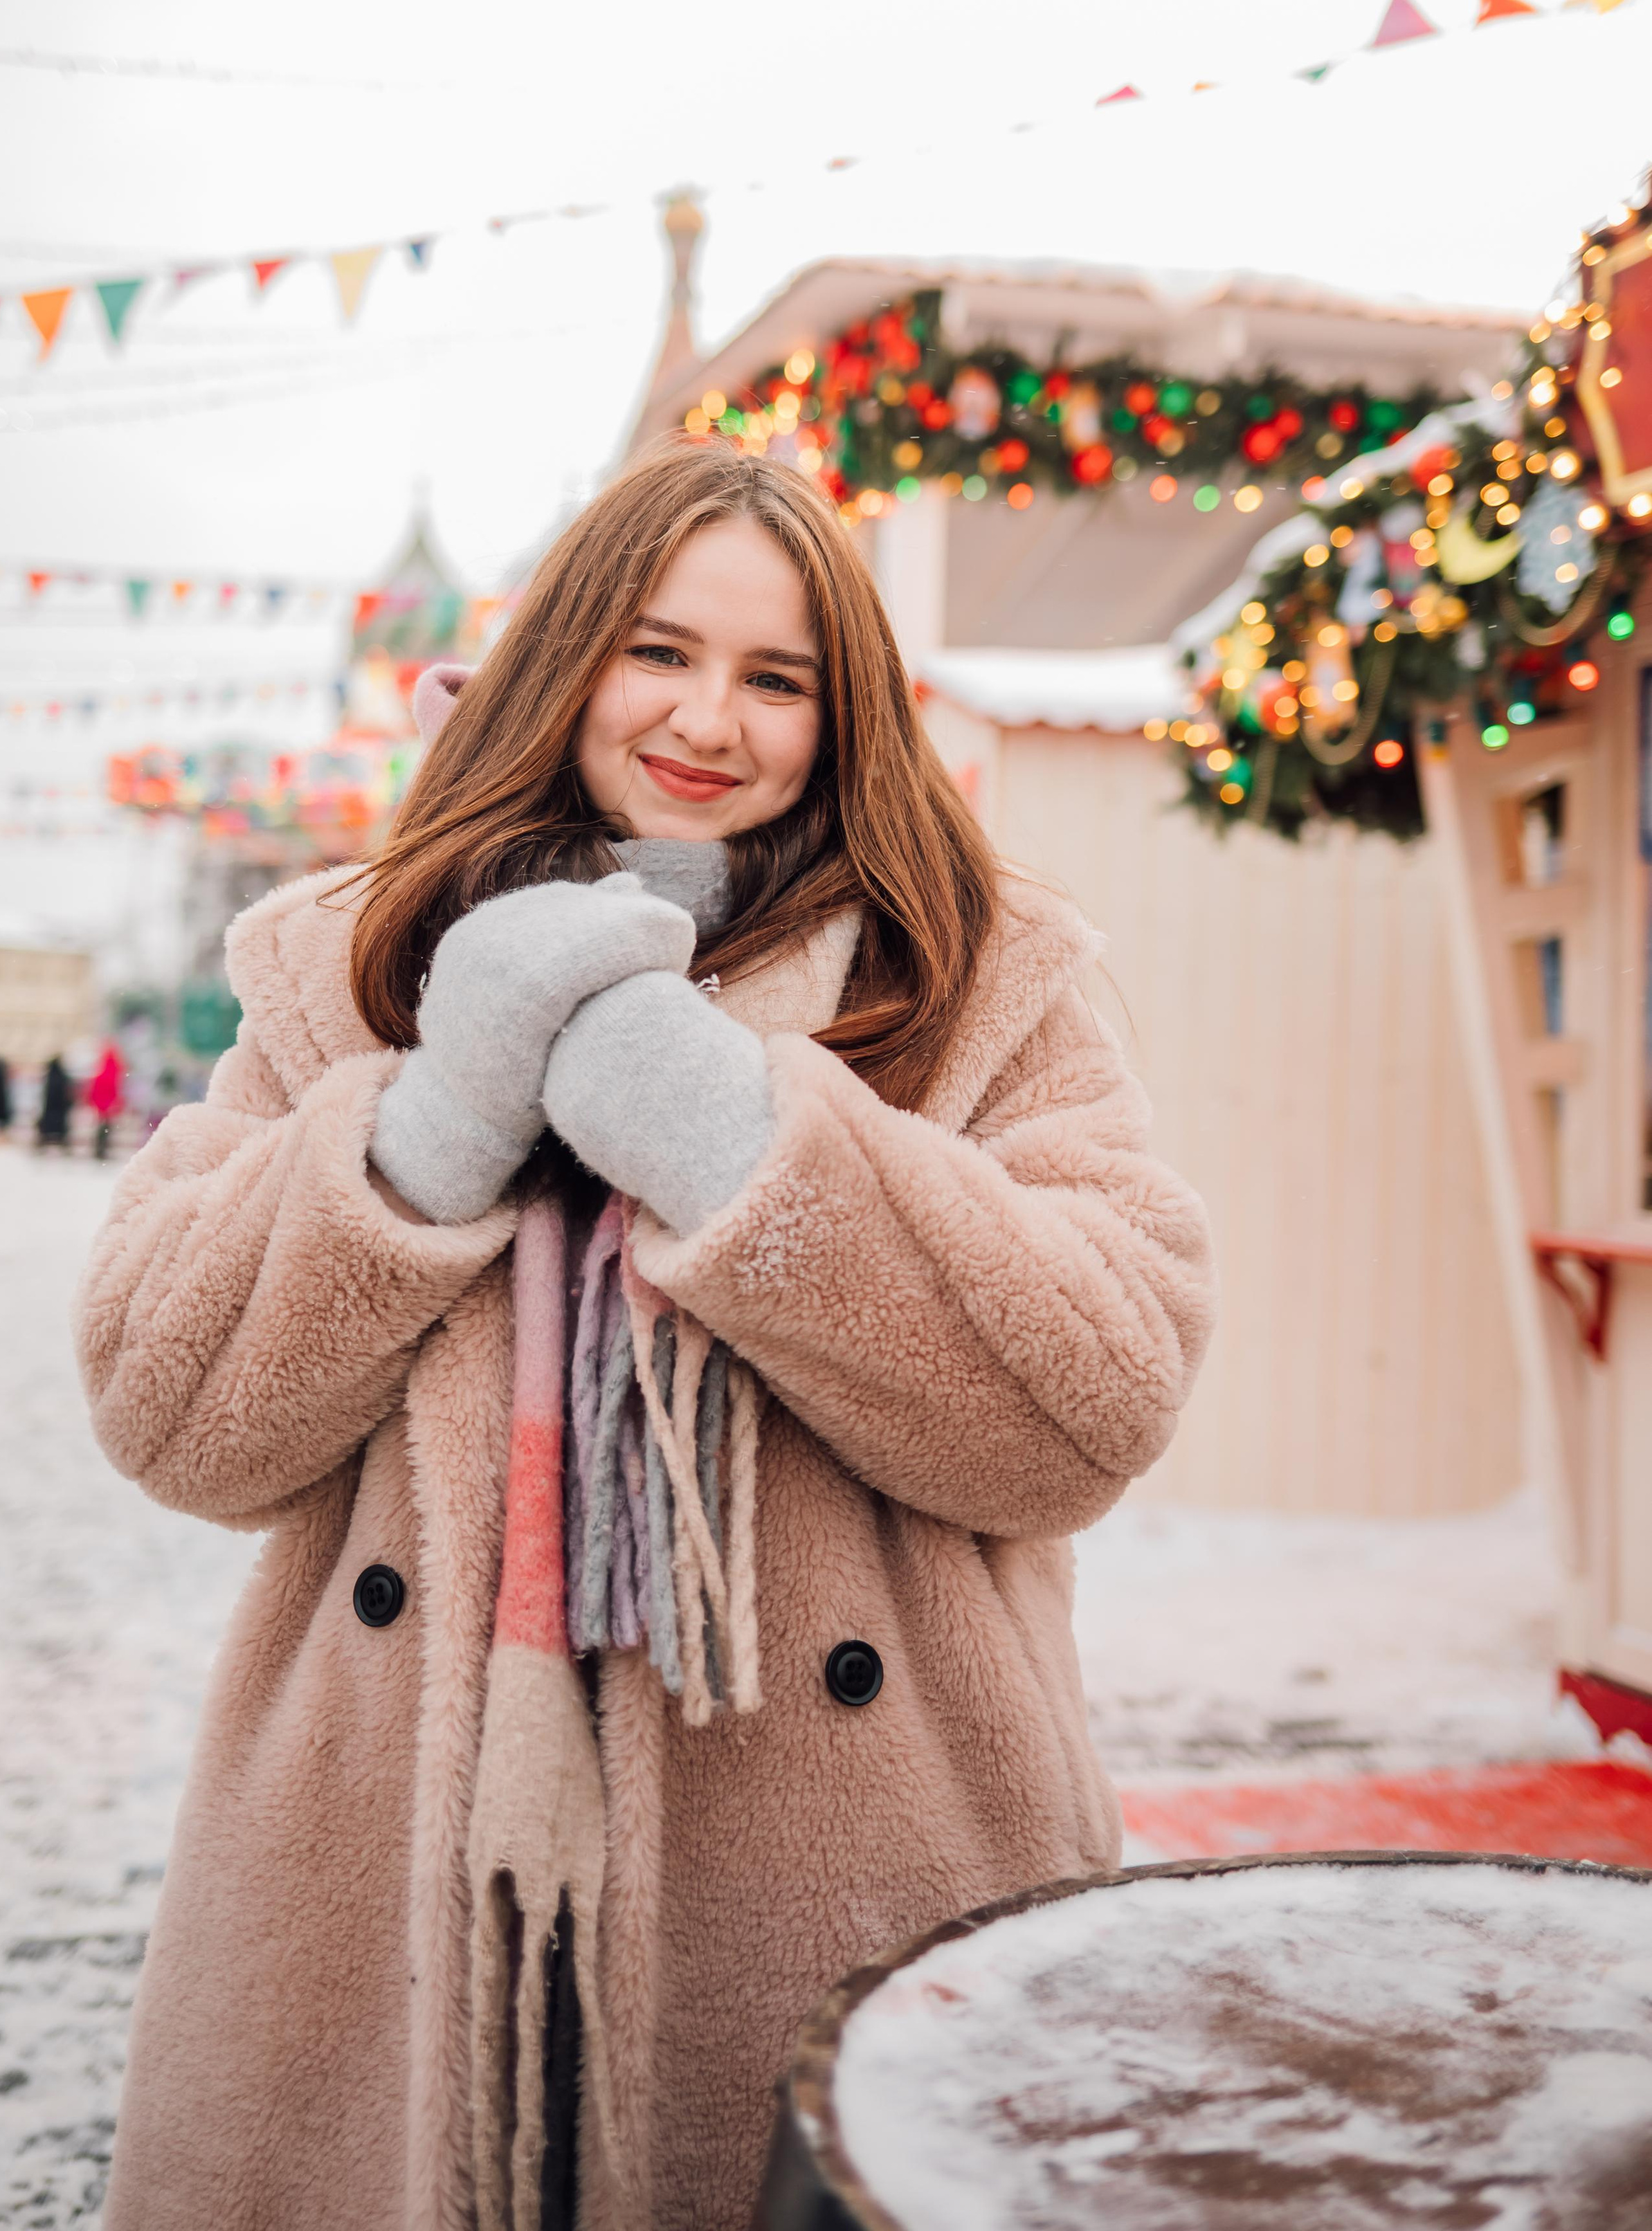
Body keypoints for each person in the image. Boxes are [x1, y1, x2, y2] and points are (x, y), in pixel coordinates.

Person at [75, 441, 1213, 2231]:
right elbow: (168, 1403)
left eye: (780, 679)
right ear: (568, 657)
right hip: (382, 1889)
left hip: (866, 1878)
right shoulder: (347, 965)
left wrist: (735, 1140)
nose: (711, 720)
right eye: (659, 651)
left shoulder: (981, 977)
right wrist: (429, 1125)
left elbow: (1101, 1394)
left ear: (846, 721)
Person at [85, 1036, 127, 1161]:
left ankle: (99, 1149)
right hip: (108, 1103)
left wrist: (94, 1101)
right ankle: (102, 1149)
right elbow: (115, 1088)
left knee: (102, 1127)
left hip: (102, 1103)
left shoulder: (103, 1069)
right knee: (107, 1127)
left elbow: (96, 1087)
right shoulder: (114, 1070)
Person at [35, 1052, 72, 1152]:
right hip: (59, 1109)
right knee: (59, 1129)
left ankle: (45, 1142)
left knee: (48, 1129)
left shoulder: (50, 1077)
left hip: (51, 1109)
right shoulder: (62, 1076)